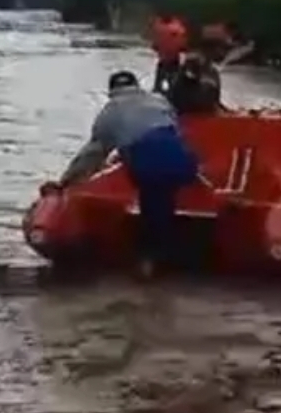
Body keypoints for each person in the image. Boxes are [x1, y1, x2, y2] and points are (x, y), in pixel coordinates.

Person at [57, 70, 199, 277]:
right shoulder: (159, 100)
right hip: (182, 161)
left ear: (111, 92)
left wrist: (66, 181)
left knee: (152, 200)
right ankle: (173, 251)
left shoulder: (110, 113)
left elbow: (93, 154)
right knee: (163, 198)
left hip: (148, 163)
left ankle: (148, 262)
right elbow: (177, 131)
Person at [151, 16, 188, 95]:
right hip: (173, 60)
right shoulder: (178, 27)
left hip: (165, 60)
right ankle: (172, 92)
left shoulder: (159, 26)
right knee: (173, 83)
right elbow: (182, 45)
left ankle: (158, 91)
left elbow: (155, 44)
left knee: (159, 82)